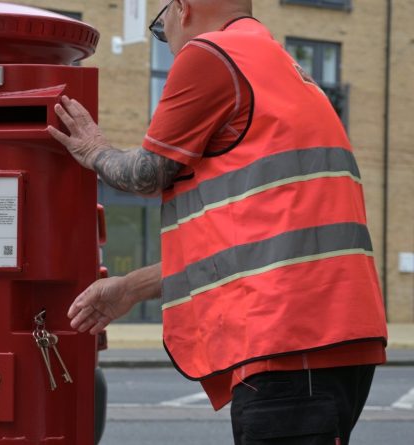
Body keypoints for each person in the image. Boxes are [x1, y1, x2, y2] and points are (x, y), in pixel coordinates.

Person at [47, 0, 389, 443]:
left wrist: (94, 149)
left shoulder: (212, 54)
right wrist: (131, 289)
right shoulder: (281, 67)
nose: (168, 45)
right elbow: (250, 251)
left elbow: (147, 173)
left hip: (287, 341)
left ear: (183, 8)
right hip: (329, 337)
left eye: (160, 28)